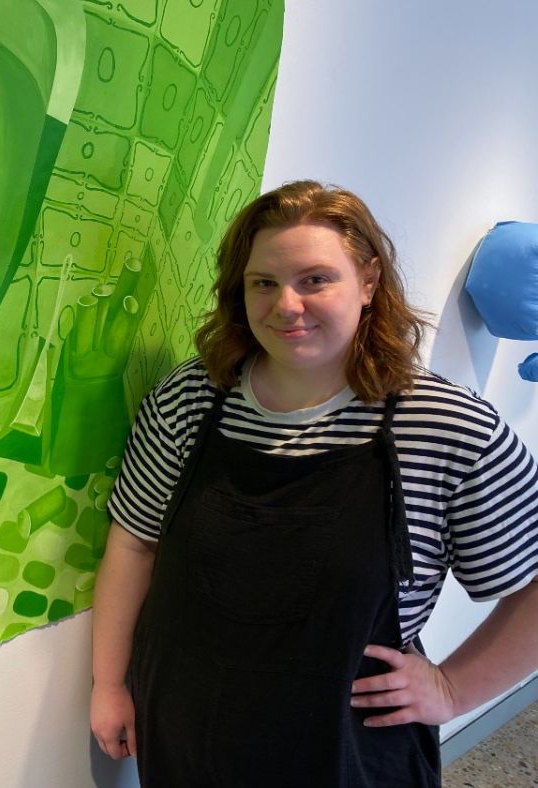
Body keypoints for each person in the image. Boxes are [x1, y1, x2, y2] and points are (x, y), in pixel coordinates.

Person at [89, 180, 538, 786]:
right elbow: (134, 543)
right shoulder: (190, 399)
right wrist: (110, 683)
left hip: (349, 752)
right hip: (189, 734)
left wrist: (453, 689)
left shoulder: (447, 428)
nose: (286, 305)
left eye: (315, 279)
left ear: (370, 282)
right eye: (263, 283)